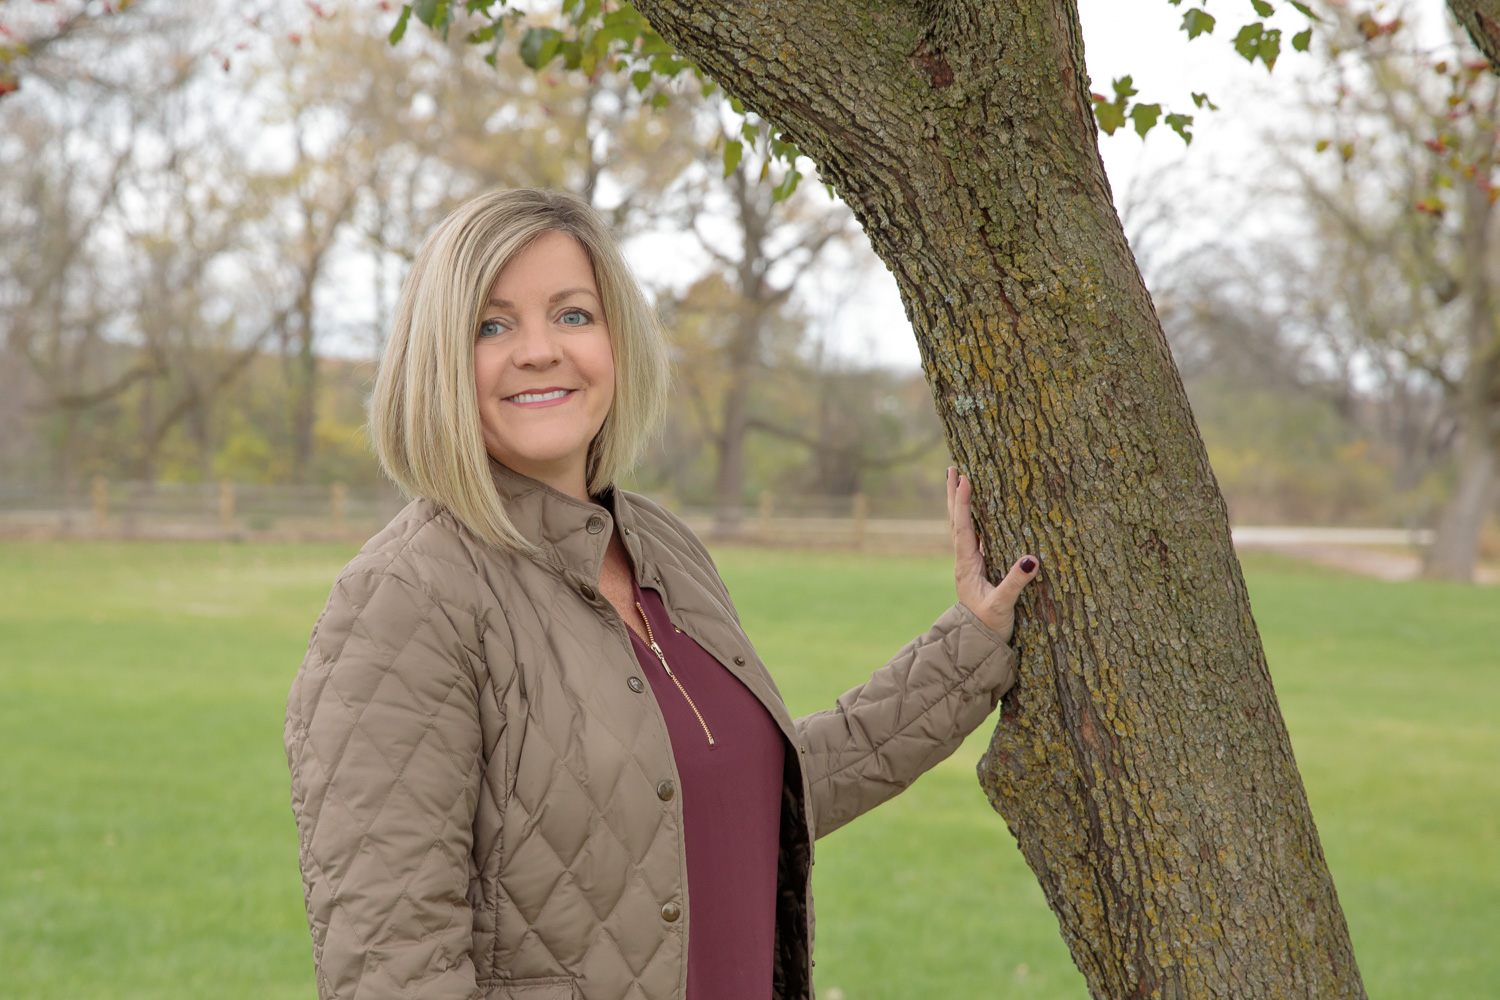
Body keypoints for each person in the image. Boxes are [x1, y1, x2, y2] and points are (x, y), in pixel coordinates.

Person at [283, 188, 1038, 1000]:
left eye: (572, 315)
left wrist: (968, 641)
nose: (540, 350)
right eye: (490, 326)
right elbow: (392, 974)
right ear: (435, 359)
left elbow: (742, 794)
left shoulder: (662, 549)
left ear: (617, 340)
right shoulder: (403, 600)